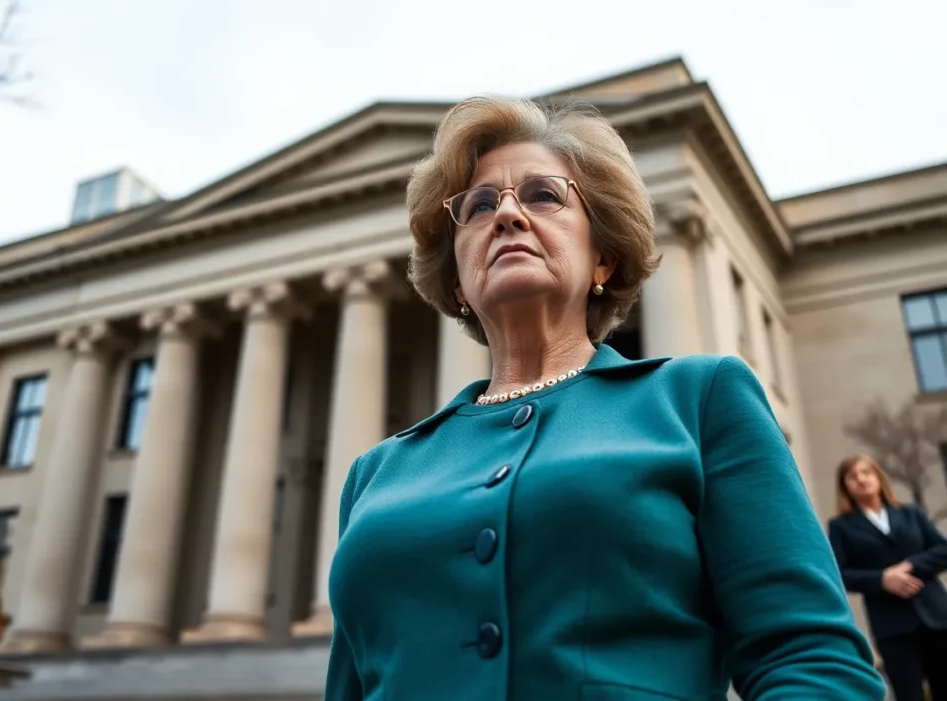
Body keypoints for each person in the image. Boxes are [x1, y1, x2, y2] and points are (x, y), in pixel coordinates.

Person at [323, 96, 885, 701]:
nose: (506, 214)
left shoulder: (699, 400)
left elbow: (811, 661)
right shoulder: (375, 474)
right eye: (479, 205)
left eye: (543, 196)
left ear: (604, 257)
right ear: (457, 279)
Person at [828, 454, 947, 701]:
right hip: (892, 627)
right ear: (845, 487)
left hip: (937, 617)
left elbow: (943, 550)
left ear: (878, 477)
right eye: (852, 476)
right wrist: (881, 579)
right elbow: (840, 574)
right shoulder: (841, 526)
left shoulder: (910, 513)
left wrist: (910, 565)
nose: (861, 479)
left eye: (866, 472)